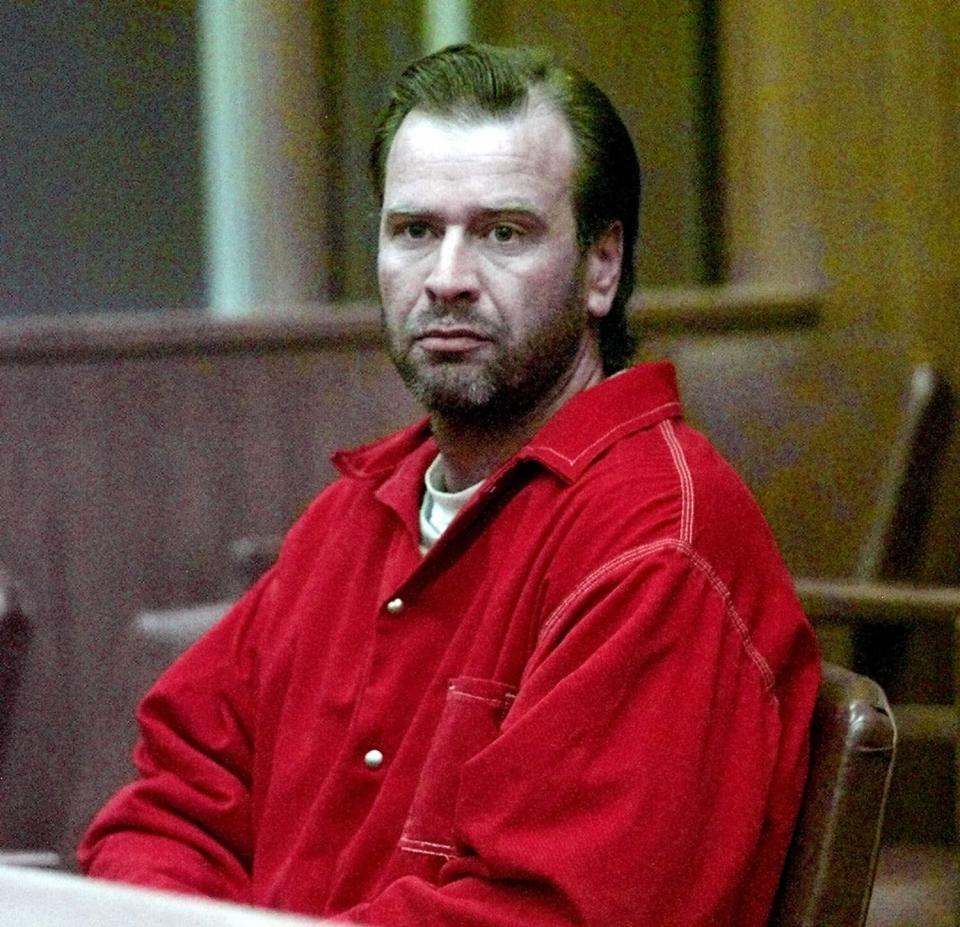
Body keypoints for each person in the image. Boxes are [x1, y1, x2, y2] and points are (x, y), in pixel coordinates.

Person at [78, 43, 820, 925]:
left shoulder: (658, 544)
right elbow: (171, 805)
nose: (447, 279)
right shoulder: (353, 515)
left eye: (503, 232)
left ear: (601, 268)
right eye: (415, 230)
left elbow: (549, 917)